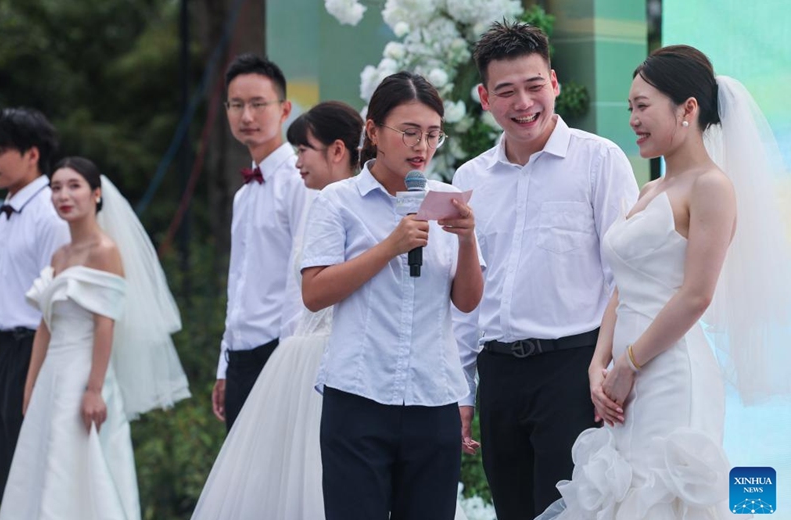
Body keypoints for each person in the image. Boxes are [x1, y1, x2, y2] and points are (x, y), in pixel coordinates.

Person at [537, 45, 791, 519]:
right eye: (630, 107)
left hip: (673, 373)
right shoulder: (650, 188)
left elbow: (696, 295)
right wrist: (599, 365)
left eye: (642, 105)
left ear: (687, 108)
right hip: (623, 375)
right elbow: (623, 283)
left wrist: (629, 362)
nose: (632, 118)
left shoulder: (711, 187)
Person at [451, 21, 639, 520]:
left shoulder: (600, 161)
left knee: (569, 512)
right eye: (506, 91)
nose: (523, 103)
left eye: (534, 86)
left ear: (554, 82)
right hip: (498, 374)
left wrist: (611, 372)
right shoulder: (469, 179)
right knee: (511, 510)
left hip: (573, 371)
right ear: (484, 98)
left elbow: (629, 278)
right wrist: (463, 389)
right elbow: (467, 297)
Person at [301, 71, 484, 520]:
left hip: (433, 398)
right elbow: (314, 292)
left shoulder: (449, 199)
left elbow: (467, 302)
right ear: (373, 131)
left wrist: (466, 239)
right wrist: (389, 247)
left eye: (432, 135)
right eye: (409, 132)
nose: (422, 146)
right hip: (358, 396)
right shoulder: (337, 201)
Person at [190, 100, 363, 520]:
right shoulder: (315, 203)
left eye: (304, 150)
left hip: (338, 359)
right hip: (293, 356)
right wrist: (227, 360)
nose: (298, 162)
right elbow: (269, 288)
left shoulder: (350, 207)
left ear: (337, 151)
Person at [0, 156, 189, 520]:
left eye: (74, 186)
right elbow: (46, 324)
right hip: (53, 370)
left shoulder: (105, 251)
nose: (63, 195)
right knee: (41, 462)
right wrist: (30, 384)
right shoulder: (59, 254)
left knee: (79, 463)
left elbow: (106, 324)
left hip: (85, 371)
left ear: (96, 194)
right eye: (56, 187)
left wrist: (94, 389)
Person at [212, 53, 310, 431]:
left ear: (284, 109)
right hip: (241, 354)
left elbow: (299, 280)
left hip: (278, 352)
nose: (246, 117)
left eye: (257, 104)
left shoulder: (299, 181)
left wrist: (287, 362)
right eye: (236, 105)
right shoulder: (244, 194)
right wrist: (225, 364)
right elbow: (237, 282)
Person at [0, 107, 70, 501]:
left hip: (32, 350)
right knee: (2, 461)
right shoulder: (5, 212)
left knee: (28, 464)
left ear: (32, 154)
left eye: (1, 149)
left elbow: (57, 302)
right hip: (2, 349)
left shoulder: (50, 213)